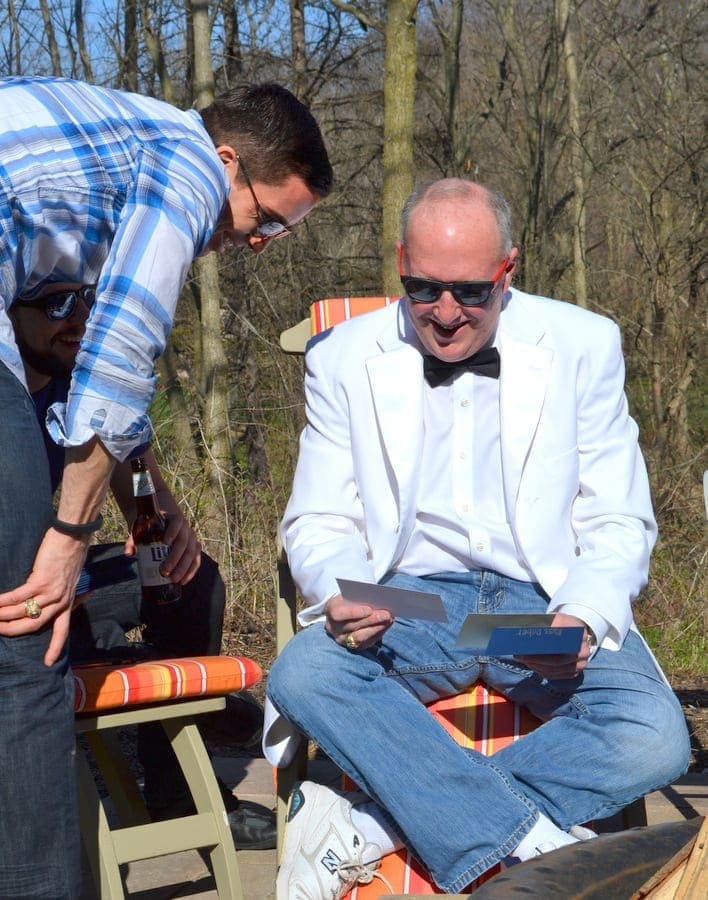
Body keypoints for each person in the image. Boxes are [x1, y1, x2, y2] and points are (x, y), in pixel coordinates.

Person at [265, 179, 690, 899]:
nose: (447, 313)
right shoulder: (341, 357)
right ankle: (531, 844)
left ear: (509, 272)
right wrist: (343, 590)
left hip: (534, 607)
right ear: (400, 262)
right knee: (304, 672)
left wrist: (581, 614)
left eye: (470, 291)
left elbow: (619, 518)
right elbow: (318, 520)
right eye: (423, 288)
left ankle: (372, 822)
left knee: (653, 732)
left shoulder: (585, 344)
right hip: (417, 607)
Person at [0, 75, 331, 898]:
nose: (260, 243)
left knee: (168, 586)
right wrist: (71, 539)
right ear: (228, 161)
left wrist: (159, 510)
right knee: (24, 641)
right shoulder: (182, 163)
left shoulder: (104, 154)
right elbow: (118, 353)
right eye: (270, 219)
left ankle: (178, 792)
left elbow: (92, 384)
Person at [8, 281, 275, 851]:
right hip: (16, 590)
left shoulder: (86, 382)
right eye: (56, 304)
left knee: (191, 578)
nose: (78, 317)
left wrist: (169, 530)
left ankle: (176, 793)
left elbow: (144, 493)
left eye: (86, 297)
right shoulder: (7, 395)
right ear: (10, 308)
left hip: (73, 574)